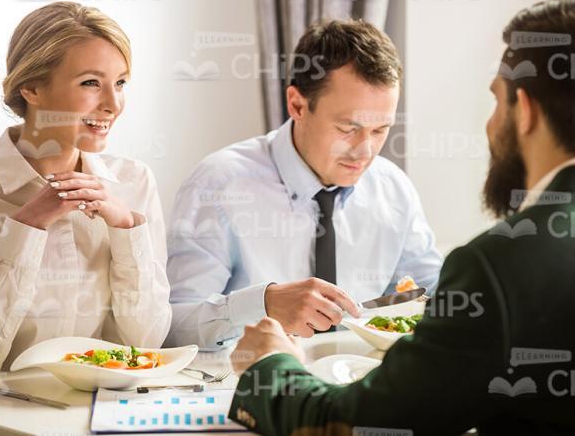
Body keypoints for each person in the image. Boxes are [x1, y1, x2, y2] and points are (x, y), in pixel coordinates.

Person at [228, 0, 575, 435]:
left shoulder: (499, 268)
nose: (490, 124)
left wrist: (270, 364)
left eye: (497, 100)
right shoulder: (226, 179)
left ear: (525, 110)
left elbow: (351, 427)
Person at [0, 2, 171, 377]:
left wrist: (126, 228)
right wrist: (26, 227)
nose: (113, 104)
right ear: (32, 87)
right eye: (91, 83)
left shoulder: (134, 183)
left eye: (120, 83)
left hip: (93, 410)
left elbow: (147, 341)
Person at [166, 19, 442, 349]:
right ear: (297, 105)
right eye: (348, 128)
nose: (365, 151)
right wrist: (263, 304)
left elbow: (434, 293)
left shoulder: (393, 189)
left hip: (357, 390)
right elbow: (172, 328)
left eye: (380, 130)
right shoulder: (218, 185)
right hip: (254, 390)